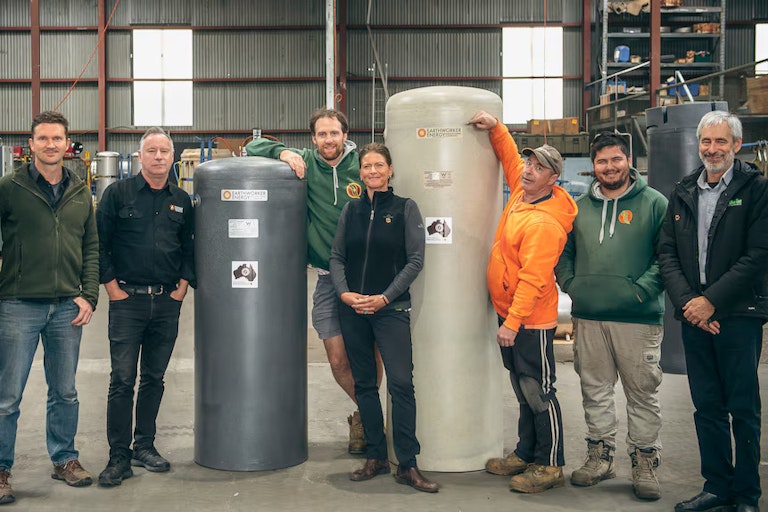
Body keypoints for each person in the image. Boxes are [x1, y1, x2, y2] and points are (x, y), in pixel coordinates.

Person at [245, 108, 381, 454]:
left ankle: (365, 420)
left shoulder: (362, 164)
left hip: (366, 276)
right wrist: (283, 152)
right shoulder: (306, 161)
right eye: (322, 134)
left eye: (334, 133)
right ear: (313, 138)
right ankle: (373, 414)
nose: (328, 140)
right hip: (326, 279)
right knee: (337, 359)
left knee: (370, 354)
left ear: (345, 135)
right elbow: (253, 146)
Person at [659, 111, 768, 512]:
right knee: (707, 407)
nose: (712, 149)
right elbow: (667, 252)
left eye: (721, 141)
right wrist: (691, 303)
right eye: (706, 141)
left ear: (736, 145)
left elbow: (758, 254)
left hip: (738, 315)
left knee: (743, 408)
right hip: (694, 316)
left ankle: (746, 495)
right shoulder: (684, 190)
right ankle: (717, 487)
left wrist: (712, 301)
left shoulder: (756, 189)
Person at [468, 111, 577, 494]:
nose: (529, 170)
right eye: (530, 164)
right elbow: (509, 157)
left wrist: (512, 323)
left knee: (538, 391)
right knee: (521, 387)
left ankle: (550, 464)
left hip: (531, 320)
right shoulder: (522, 191)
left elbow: (533, 280)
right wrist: (496, 127)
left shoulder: (544, 223)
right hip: (510, 314)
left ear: (553, 178)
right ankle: (525, 452)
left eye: (539, 168)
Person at [555, 132, 668, 500]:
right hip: (589, 316)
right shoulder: (578, 208)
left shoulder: (655, 204)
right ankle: (600, 457)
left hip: (637, 318)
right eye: (602, 161)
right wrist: (572, 285)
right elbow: (564, 253)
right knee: (595, 390)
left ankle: (645, 462)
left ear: (628, 160)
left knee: (642, 394)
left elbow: (666, 257)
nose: (609, 167)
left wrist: (639, 291)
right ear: (594, 166)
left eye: (616, 159)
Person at [0, 111, 99, 505]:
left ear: (67, 144)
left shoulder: (80, 191)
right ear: (31, 145)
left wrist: (88, 294)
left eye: (57, 138)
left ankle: (65, 459)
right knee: (7, 396)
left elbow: (91, 246)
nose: (51, 145)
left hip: (66, 308)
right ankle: (1, 470)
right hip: (18, 304)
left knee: (65, 391)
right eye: (43, 138)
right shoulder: (10, 187)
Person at [328, 142, 438, 493]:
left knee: (401, 384)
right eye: (367, 166)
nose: (372, 171)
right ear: (360, 172)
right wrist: (345, 293)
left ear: (390, 170)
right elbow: (337, 257)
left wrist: (385, 297)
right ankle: (375, 456)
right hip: (353, 311)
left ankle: (407, 463)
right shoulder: (351, 210)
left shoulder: (406, 208)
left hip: (391, 311)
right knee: (364, 384)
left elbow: (415, 260)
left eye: (379, 165)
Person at [95, 127, 194, 487]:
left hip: (166, 303)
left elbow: (189, 247)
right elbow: (99, 244)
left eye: (164, 151)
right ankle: (118, 456)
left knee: (154, 378)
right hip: (127, 301)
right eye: (151, 150)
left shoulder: (181, 200)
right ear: (139, 157)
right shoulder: (117, 194)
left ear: (172, 157)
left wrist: (181, 288)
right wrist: (112, 289)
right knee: (122, 380)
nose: (158, 156)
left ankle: (144, 446)